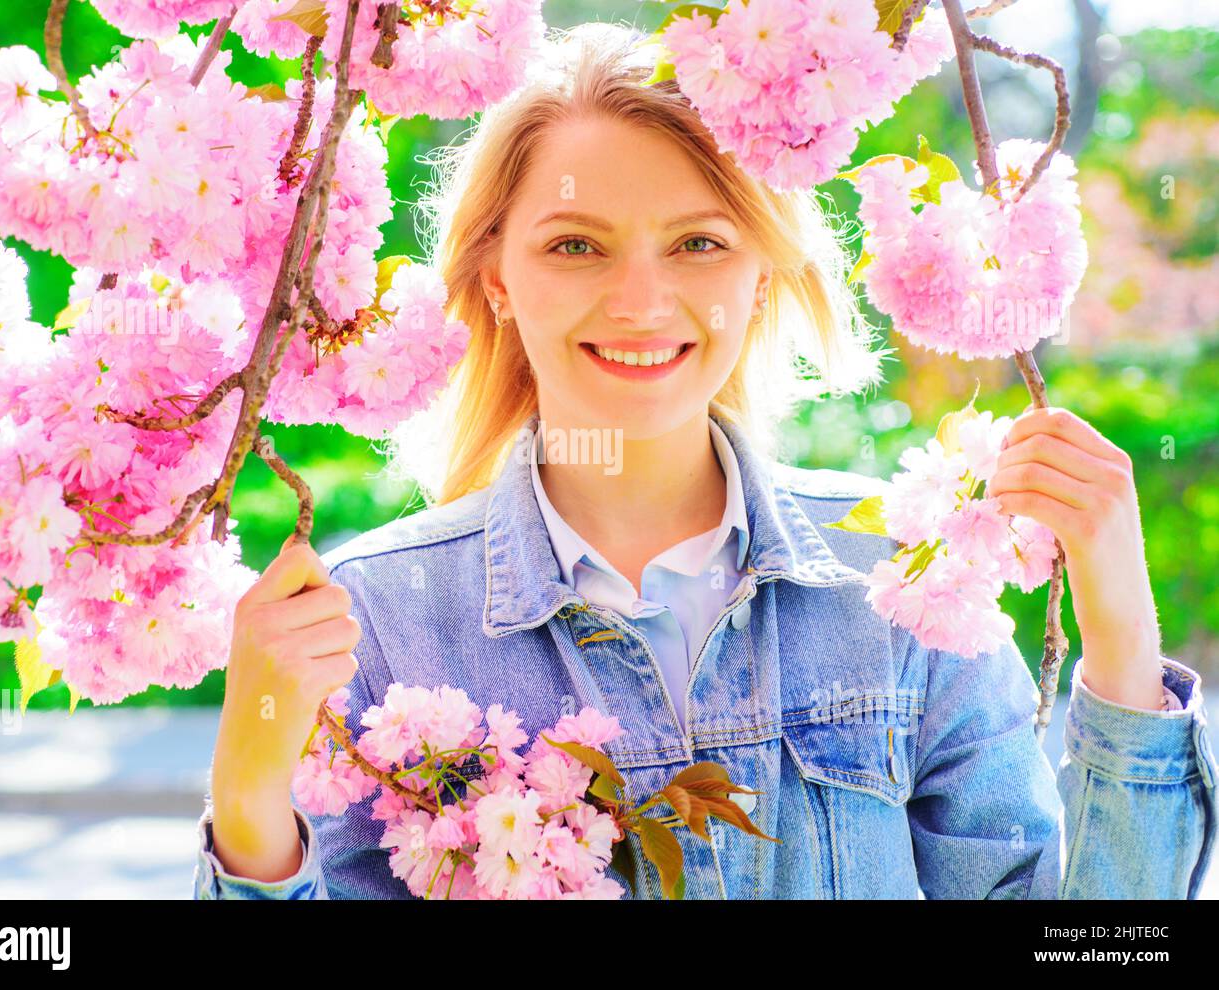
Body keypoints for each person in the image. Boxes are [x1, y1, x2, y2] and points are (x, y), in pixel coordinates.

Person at [194, 22, 1216, 899]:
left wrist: (1120, 628)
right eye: (575, 246)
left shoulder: (907, 589)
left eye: (697, 244)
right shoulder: (378, 619)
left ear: (764, 274)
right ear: (495, 276)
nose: (641, 302)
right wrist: (245, 796)